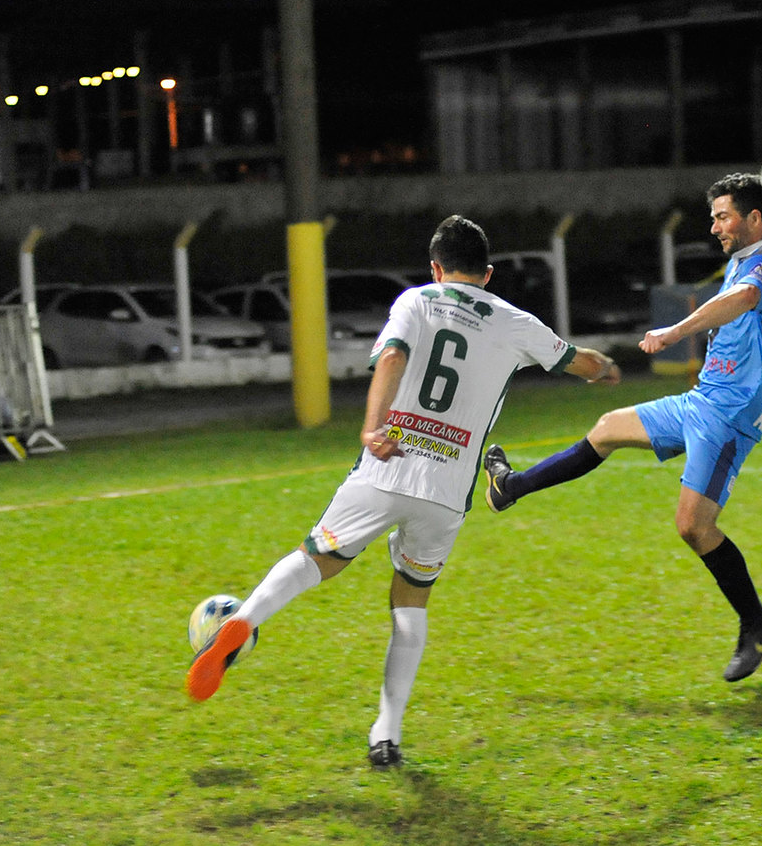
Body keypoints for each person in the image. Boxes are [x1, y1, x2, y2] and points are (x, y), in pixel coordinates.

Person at [185, 215, 622, 769]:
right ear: (487, 274)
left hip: (386, 467)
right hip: (446, 488)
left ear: (436, 268)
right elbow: (579, 362)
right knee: (410, 598)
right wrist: (606, 367)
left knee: (318, 557)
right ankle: (385, 735)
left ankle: (242, 622)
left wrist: (373, 428)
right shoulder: (515, 321)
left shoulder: (417, 300)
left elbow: (391, 357)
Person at [482, 173, 762, 684]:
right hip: (701, 403)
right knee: (607, 428)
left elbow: (741, 300)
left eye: (723, 216)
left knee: (694, 528)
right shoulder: (744, 261)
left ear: (754, 218)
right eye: (714, 216)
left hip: (728, 418)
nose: (715, 226)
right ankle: (509, 487)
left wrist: (676, 330)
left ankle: (757, 623)